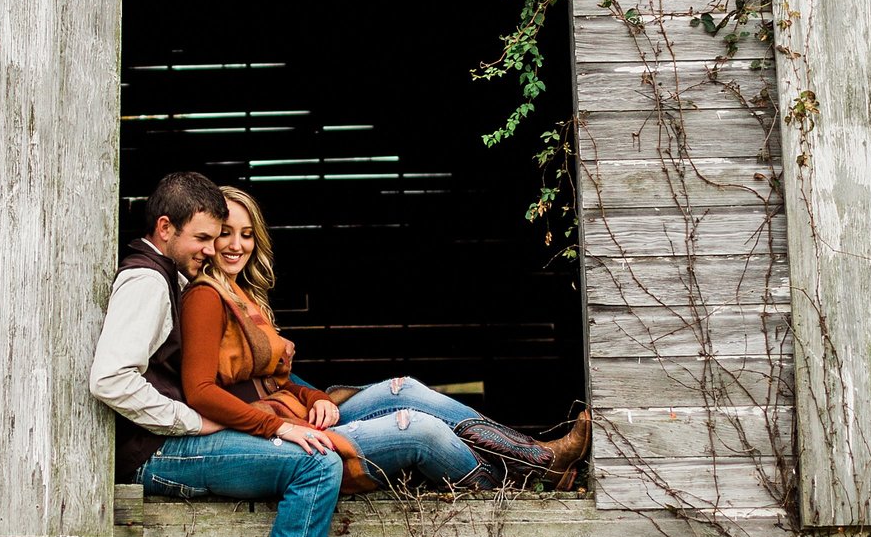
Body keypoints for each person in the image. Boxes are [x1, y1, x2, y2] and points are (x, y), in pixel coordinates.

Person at [89, 172, 352, 537]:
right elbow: (110, 378)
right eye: (204, 239)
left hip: (175, 443)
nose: (213, 251)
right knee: (316, 465)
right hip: (158, 454)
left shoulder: (176, 276)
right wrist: (193, 420)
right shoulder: (146, 281)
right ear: (166, 229)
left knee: (322, 454)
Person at [182, 184, 591, 500]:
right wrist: (280, 424)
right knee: (421, 431)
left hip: (294, 413)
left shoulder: (244, 296)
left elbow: (273, 379)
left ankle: (538, 457)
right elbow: (200, 392)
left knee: (405, 389)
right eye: (226, 234)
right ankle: (523, 481)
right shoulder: (205, 297)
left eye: (247, 234)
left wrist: (315, 400)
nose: (237, 245)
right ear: (209, 237)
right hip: (269, 434)